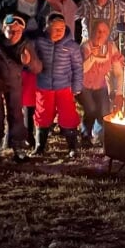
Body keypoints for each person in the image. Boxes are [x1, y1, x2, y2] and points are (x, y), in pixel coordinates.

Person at [0, 13, 42, 162]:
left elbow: (37, 68)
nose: (13, 34)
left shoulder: (25, 44)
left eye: (18, 31)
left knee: (16, 115)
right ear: (3, 29)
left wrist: (29, 61)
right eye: (10, 30)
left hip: (13, 82)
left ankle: (18, 148)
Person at [32, 13, 84, 158]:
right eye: (56, 28)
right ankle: (39, 147)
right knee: (42, 115)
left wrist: (77, 86)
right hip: (44, 85)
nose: (59, 31)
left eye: (61, 28)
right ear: (48, 27)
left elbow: (78, 67)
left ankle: (72, 147)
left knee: (68, 116)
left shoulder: (71, 45)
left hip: (64, 86)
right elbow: (32, 60)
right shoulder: (39, 42)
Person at [79, 19, 125, 147]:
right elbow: (82, 69)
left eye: (104, 32)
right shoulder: (86, 47)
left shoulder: (111, 48)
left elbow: (118, 73)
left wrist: (119, 93)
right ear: (92, 32)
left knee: (105, 112)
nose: (101, 35)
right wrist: (93, 57)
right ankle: (85, 136)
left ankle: (101, 137)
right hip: (83, 85)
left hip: (100, 84)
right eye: (98, 31)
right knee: (91, 109)